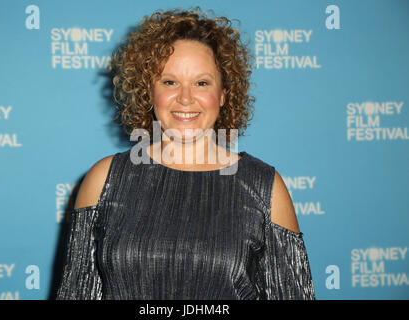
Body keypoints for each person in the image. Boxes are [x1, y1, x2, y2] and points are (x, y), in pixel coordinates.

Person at [56, 8, 315, 300]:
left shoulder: (264, 187)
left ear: (223, 94)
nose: (185, 98)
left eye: (201, 83)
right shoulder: (105, 179)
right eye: (169, 82)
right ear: (149, 92)